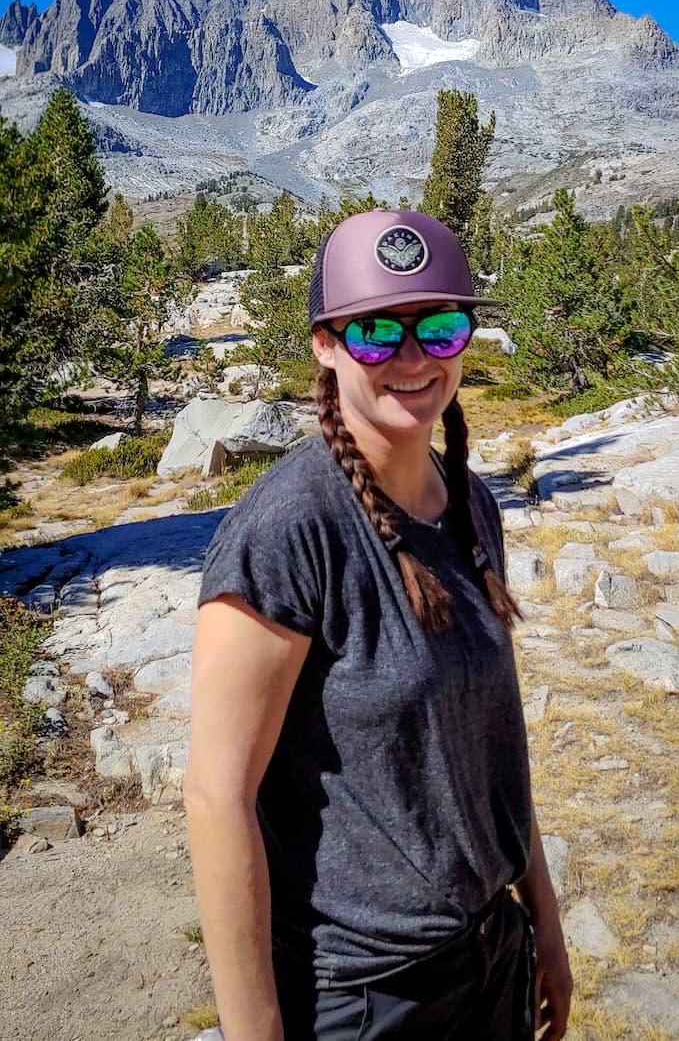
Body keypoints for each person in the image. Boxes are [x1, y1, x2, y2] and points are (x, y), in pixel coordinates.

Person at [184, 208, 573, 1041]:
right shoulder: (289, 529)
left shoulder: (467, 499)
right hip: (366, 994)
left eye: (437, 327)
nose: (410, 359)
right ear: (325, 344)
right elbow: (217, 795)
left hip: (489, 951)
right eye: (373, 335)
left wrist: (542, 919)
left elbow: (486, 742)